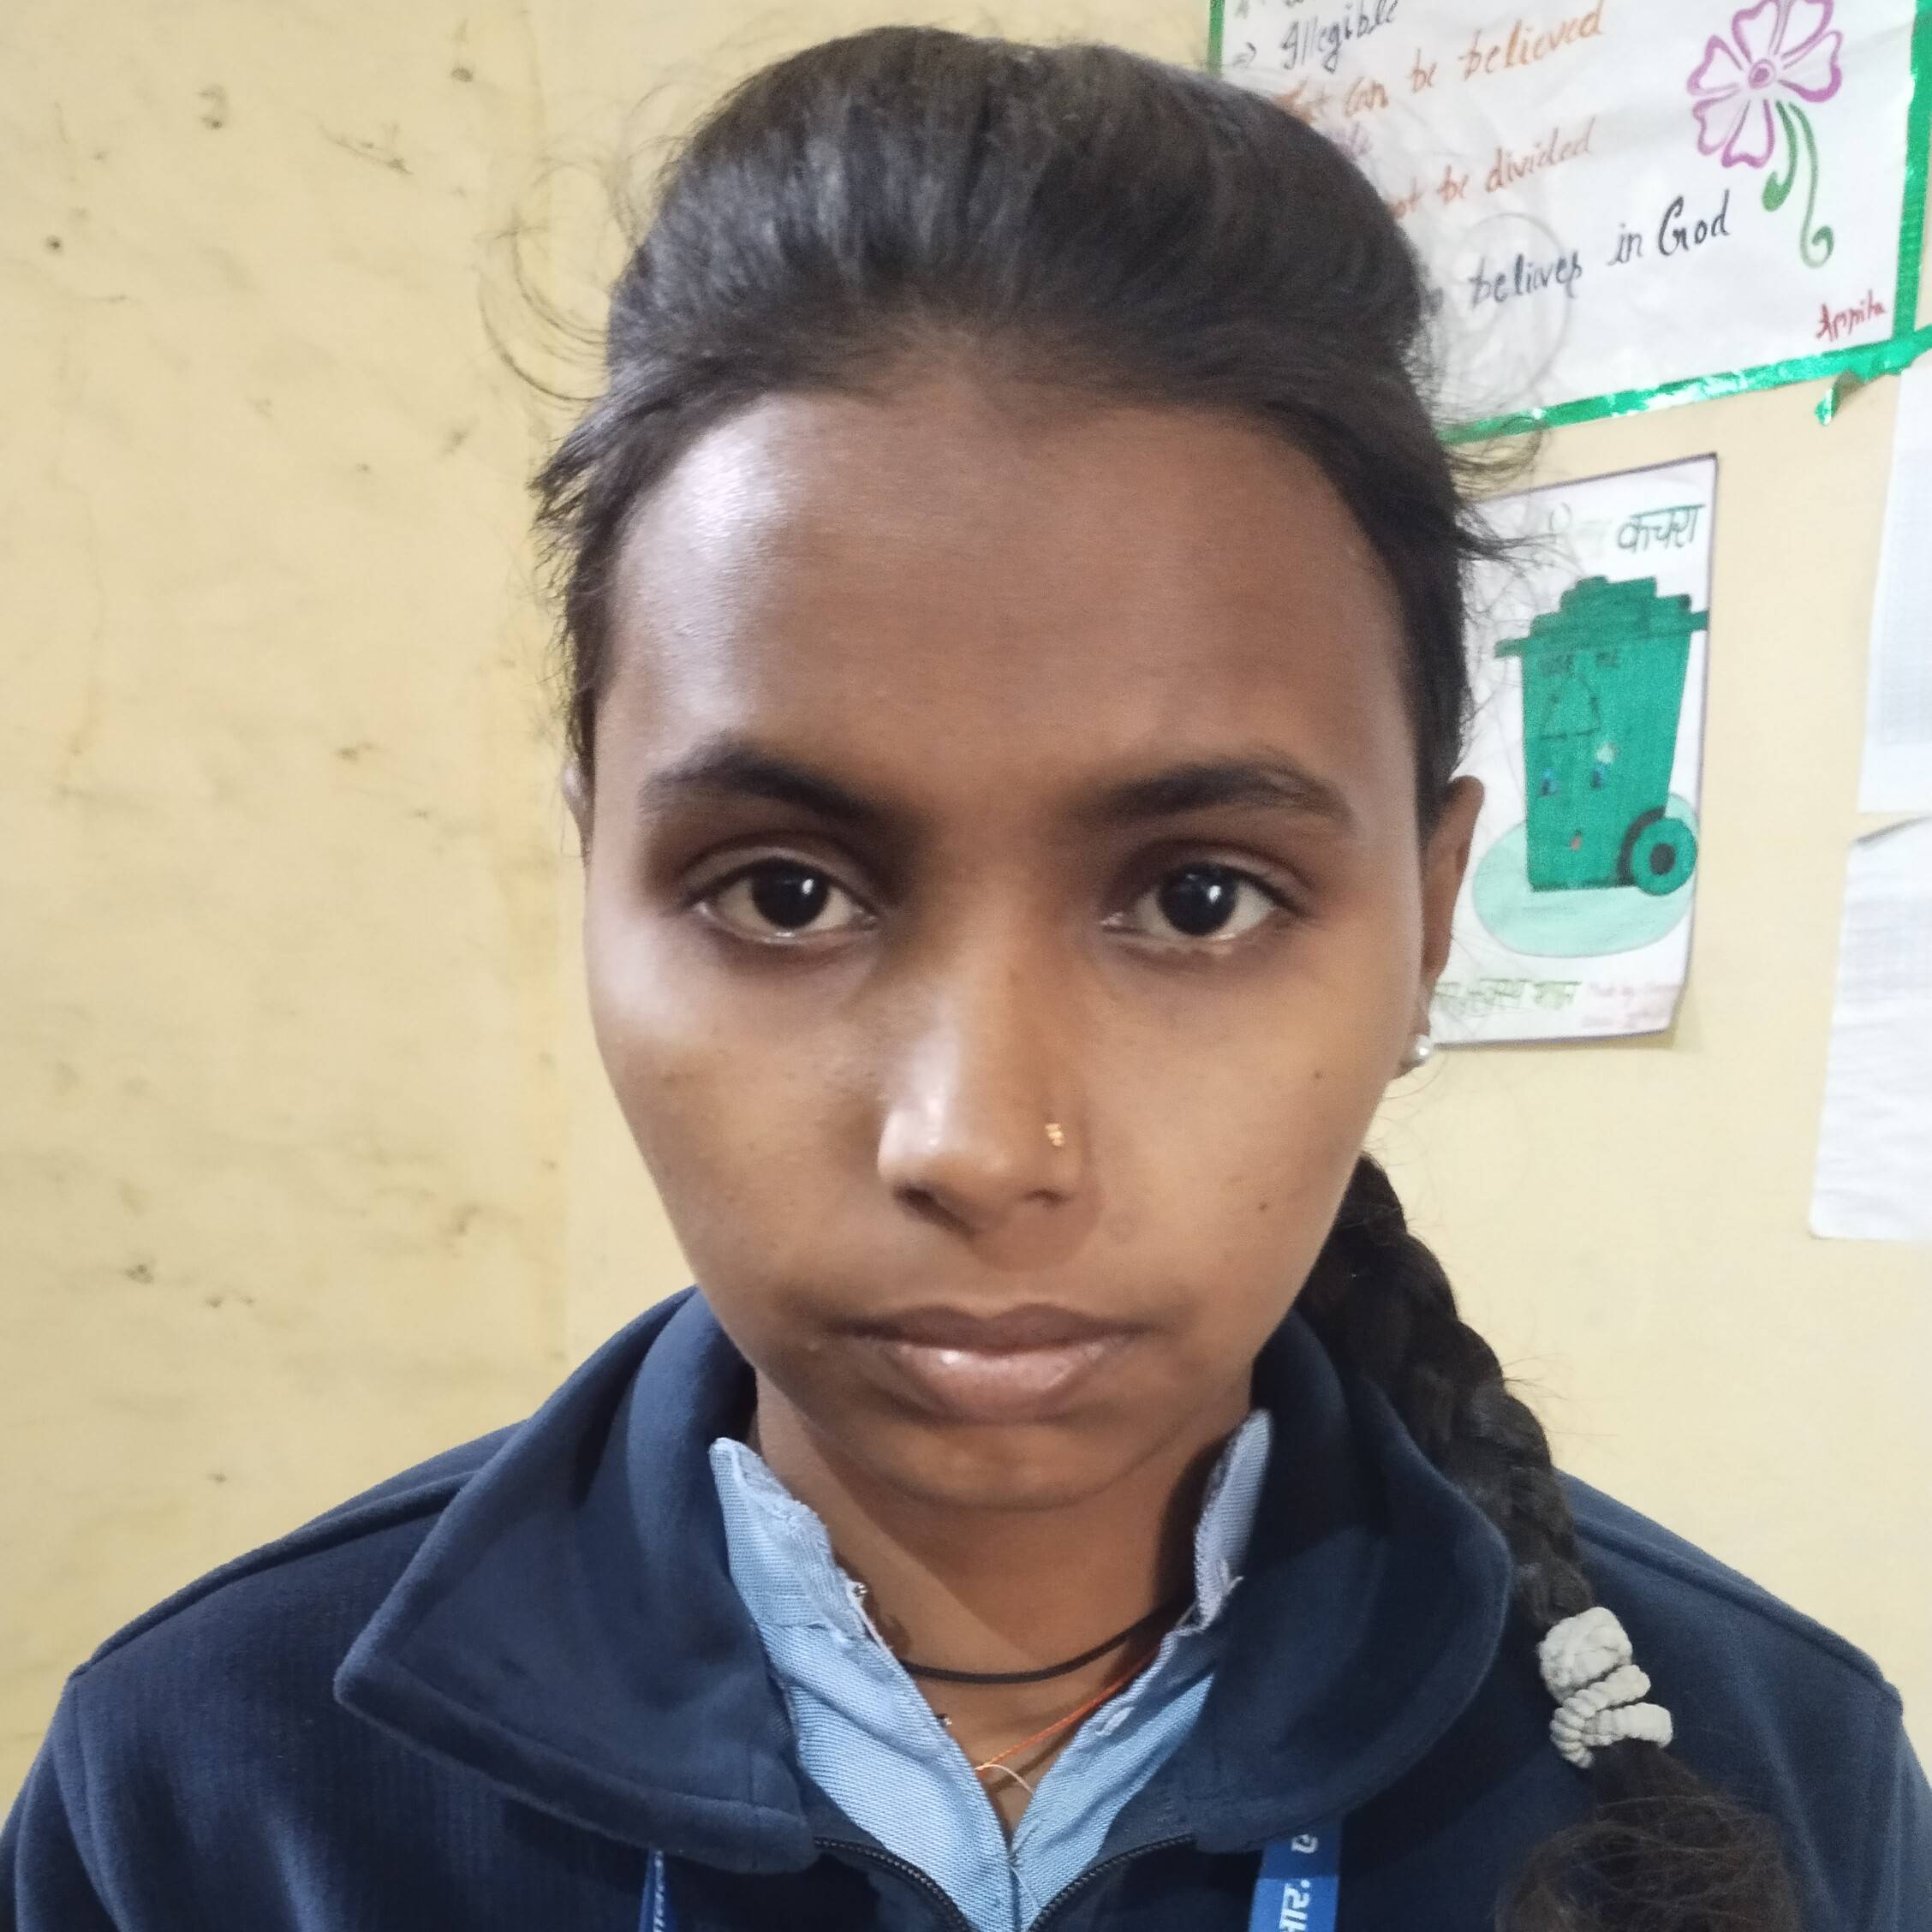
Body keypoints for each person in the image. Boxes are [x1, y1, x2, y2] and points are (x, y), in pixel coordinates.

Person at [4, 26, 1927, 1932]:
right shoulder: (210, 1795)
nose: (981, 1144)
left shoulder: (1766, 1781)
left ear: (1428, 923)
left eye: (1198, 899)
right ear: (594, 875)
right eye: (783, 893)